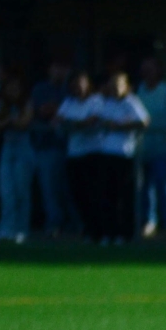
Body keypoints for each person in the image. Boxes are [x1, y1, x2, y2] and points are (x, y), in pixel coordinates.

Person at [89, 69, 148, 245]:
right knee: (107, 196)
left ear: (126, 86)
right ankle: (109, 233)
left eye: (118, 85)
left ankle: (125, 234)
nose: (114, 89)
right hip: (105, 153)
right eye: (112, 85)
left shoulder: (131, 102)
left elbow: (144, 121)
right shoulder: (105, 103)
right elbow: (97, 119)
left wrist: (121, 126)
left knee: (125, 197)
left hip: (124, 154)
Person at [29, 58, 74, 236]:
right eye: (57, 67)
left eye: (64, 68)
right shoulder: (40, 89)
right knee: (49, 189)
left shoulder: (71, 90)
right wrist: (57, 110)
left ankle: (74, 225)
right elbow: (41, 110)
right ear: (50, 69)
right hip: (46, 146)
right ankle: (54, 224)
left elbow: (69, 112)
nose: (60, 72)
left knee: (69, 189)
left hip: (72, 148)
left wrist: (58, 110)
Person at [0, 71, 36, 243]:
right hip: (7, 149)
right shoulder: (1, 105)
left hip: (24, 150)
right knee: (6, 192)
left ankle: (21, 230)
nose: (12, 91)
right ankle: (5, 229)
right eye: (9, 87)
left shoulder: (27, 103)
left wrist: (9, 121)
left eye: (16, 88)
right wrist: (9, 121)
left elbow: (24, 123)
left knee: (21, 192)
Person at [57, 71, 102, 241]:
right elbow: (57, 120)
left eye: (80, 83)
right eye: (74, 84)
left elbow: (91, 121)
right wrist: (77, 124)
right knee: (77, 194)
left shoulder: (96, 100)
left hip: (92, 153)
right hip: (74, 154)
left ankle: (96, 230)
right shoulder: (68, 102)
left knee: (93, 194)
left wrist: (72, 123)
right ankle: (86, 228)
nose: (77, 87)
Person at [135, 57, 166, 237]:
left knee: (162, 184)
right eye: (145, 69)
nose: (147, 73)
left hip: (163, 147)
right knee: (145, 187)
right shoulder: (139, 90)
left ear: (158, 71)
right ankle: (149, 221)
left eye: (151, 69)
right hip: (143, 147)